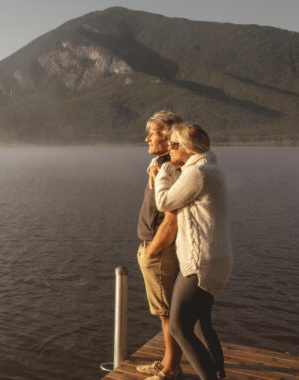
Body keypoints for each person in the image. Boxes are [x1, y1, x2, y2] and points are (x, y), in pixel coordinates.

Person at [154, 123, 233, 380]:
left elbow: (164, 201)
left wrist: (164, 172)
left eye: (173, 146)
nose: (170, 150)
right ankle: (219, 374)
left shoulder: (197, 173)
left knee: (178, 327)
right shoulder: (210, 168)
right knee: (201, 325)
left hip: (199, 263)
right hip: (216, 259)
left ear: (188, 148)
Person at [135, 111, 184, 380]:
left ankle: (171, 370)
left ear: (167, 138)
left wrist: (153, 249)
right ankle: (167, 362)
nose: (146, 138)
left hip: (159, 250)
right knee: (164, 313)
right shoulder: (160, 165)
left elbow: (172, 218)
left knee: (166, 314)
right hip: (153, 248)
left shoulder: (170, 168)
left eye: (151, 134)